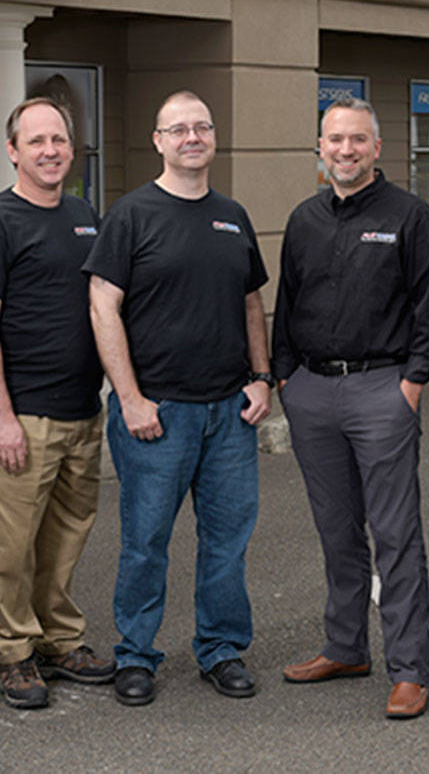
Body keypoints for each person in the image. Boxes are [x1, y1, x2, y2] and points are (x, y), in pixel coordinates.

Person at [84, 90, 272, 707]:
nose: (192, 137)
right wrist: (130, 397)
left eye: (202, 127)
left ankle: (221, 649)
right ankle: (135, 655)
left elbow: (250, 303)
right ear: (158, 140)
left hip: (229, 413)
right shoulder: (131, 215)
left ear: (212, 137)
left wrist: (262, 378)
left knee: (227, 541)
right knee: (146, 541)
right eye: (178, 129)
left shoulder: (232, 214)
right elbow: (102, 305)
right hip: (157, 414)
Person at [274, 97, 429, 720]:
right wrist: (284, 378)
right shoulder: (304, 220)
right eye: (334, 140)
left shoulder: (411, 216)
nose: (345, 150)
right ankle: (345, 645)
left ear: (376, 147)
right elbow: (287, 304)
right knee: (336, 529)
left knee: (396, 533)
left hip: (383, 389)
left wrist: (413, 383)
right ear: (319, 149)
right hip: (313, 392)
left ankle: (410, 669)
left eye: (357, 140)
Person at [0, 97, 114, 710]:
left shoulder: (82, 215)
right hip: (21, 413)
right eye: (37, 141)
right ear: (13, 150)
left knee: (66, 535)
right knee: (10, 543)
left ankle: (59, 639)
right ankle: (15, 653)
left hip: (82, 408)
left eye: (59, 140)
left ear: (71, 149)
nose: (50, 151)